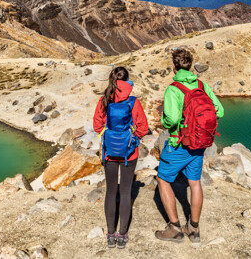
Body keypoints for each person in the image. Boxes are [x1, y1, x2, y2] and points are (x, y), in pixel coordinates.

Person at [155, 48, 224, 243]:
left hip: (179, 144)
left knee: (162, 179)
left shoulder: (173, 89)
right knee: (194, 183)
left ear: (175, 66)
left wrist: (165, 121)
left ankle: (175, 229)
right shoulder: (202, 85)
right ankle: (194, 229)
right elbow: (220, 111)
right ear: (191, 64)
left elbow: (172, 119)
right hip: (200, 144)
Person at [93, 66, 148, 249]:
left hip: (109, 152)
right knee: (125, 192)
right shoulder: (133, 102)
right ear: (128, 80)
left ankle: (110, 234)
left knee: (111, 191)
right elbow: (142, 127)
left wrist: (108, 135)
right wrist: (132, 140)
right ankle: (122, 234)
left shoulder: (104, 100)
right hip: (129, 153)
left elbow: (96, 125)